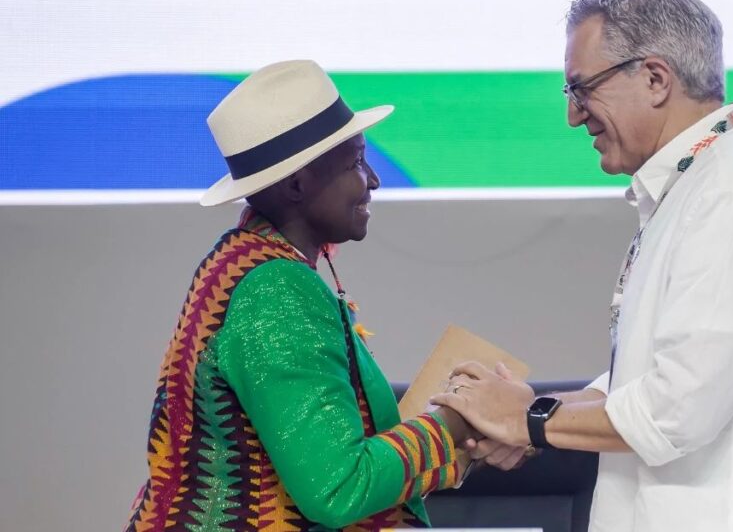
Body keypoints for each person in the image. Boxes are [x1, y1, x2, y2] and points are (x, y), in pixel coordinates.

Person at [431, 0, 733, 530]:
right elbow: (654, 376)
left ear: (656, 78)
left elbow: (675, 409)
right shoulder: (701, 187)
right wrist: (531, 411)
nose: (573, 115)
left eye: (581, 88)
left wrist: (527, 418)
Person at [125, 60, 473, 531]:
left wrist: (450, 426)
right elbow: (338, 486)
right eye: (354, 162)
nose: (373, 179)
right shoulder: (277, 291)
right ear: (296, 184)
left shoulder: (245, 262)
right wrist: (457, 426)